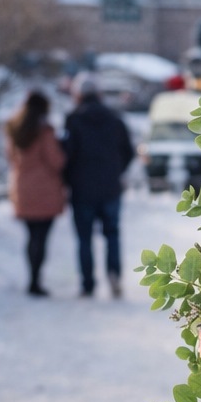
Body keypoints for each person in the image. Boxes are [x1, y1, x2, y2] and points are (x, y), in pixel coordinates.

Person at [63, 73, 135, 298]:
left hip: (82, 189)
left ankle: (87, 283)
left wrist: (69, 178)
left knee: (84, 238)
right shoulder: (114, 118)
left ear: (78, 94)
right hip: (110, 188)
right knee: (111, 234)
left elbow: (67, 155)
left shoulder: (73, 120)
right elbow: (129, 151)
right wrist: (116, 171)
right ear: (100, 93)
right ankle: (114, 274)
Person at [4, 91, 66, 297]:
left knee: (31, 237)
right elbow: (56, 161)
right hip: (45, 192)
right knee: (42, 237)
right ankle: (36, 280)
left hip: (23, 190)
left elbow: (11, 159)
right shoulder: (45, 132)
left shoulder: (15, 131)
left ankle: (32, 277)